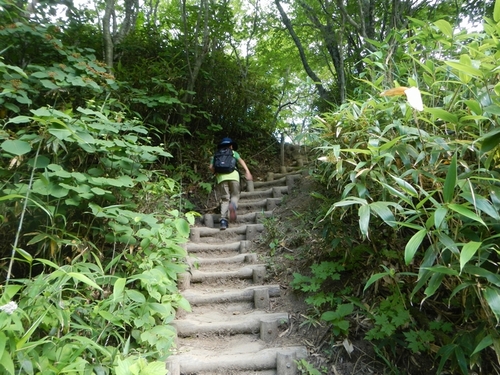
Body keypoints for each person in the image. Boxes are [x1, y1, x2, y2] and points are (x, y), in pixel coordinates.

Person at [209, 137, 253, 230]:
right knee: (235, 195)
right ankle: (233, 204)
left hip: (221, 178)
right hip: (234, 176)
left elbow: (211, 167)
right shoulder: (234, 153)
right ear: (231, 146)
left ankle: (223, 221)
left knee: (225, 198)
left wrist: (215, 173)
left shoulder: (216, 155)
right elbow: (241, 161)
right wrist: (247, 172)